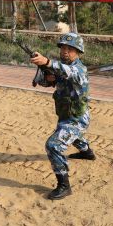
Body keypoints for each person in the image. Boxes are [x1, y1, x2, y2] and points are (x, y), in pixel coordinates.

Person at [30, 33, 96, 200]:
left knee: (53, 145)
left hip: (77, 118)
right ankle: (87, 153)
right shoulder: (61, 67)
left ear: (78, 51)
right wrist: (45, 74)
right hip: (66, 114)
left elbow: (69, 72)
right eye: (63, 48)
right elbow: (50, 82)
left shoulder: (79, 69)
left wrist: (47, 62)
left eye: (70, 49)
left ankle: (64, 186)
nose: (65, 51)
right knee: (74, 137)